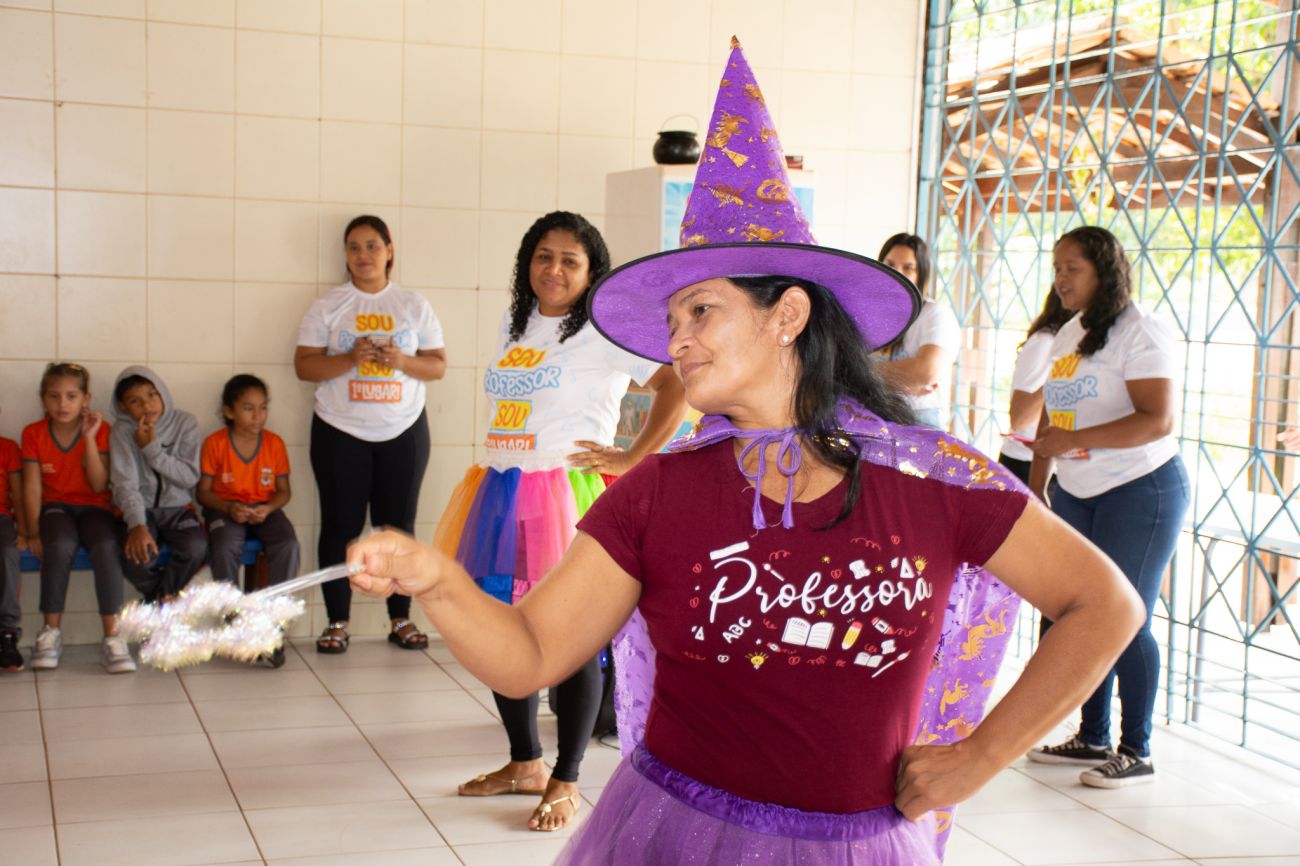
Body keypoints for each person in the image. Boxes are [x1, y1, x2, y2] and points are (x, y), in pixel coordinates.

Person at [345, 40, 1143, 865]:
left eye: (700, 311)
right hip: (667, 836)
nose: (676, 342)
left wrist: (982, 755)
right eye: (672, 322)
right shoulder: (657, 491)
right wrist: (436, 580)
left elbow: (1104, 604)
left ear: (787, 315)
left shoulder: (934, 481)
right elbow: (531, 656)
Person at [433, 210, 686, 832]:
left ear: (591, 272)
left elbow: (675, 383)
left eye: (570, 260)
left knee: (572, 638)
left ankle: (565, 778)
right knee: (500, 629)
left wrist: (632, 456)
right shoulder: (514, 321)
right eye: (544, 256)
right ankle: (524, 762)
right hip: (501, 491)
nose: (554, 269)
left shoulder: (604, 331)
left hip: (565, 496)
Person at [1027, 226, 1189, 788]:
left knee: (1125, 615)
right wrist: (1039, 485)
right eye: (1057, 267)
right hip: (1077, 492)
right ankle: (1091, 736)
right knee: (1077, 612)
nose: (1060, 279)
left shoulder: (1141, 331)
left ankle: (1136, 749)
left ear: (1104, 271)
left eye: (1072, 268)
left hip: (1140, 490)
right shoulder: (1072, 330)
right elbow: (1053, 412)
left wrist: (1073, 442)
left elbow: (1157, 420)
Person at [294, 215, 447, 654]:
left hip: (404, 431)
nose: (363, 255)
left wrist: (401, 361)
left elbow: (437, 365)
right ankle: (336, 622)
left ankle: (401, 618)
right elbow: (304, 366)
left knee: (398, 528)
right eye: (354, 247)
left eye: (372, 246)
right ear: (345, 255)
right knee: (339, 526)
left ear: (389, 251)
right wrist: (349, 358)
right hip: (339, 431)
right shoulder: (328, 305)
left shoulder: (412, 304)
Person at [21, 363, 134, 673]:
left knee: (106, 546)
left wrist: (89, 438)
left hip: (95, 507)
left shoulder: (102, 430)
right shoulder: (33, 433)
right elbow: (32, 487)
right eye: (54, 396)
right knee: (59, 544)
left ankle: (113, 637)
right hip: (56, 507)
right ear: (43, 398)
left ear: (86, 399)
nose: (62, 404)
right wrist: (32, 531)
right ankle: (50, 633)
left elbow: (99, 484)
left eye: (71, 396)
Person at [197, 374, 301, 667]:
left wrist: (268, 509)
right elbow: (203, 493)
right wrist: (229, 508)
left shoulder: (274, 444)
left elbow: (284, 492)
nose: (258, 415)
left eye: (263, 407)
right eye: (248, 408)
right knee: (224, 545)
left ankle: (272, 623)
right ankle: (236, 620)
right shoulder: (215, 443)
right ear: (229, 412)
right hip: (224, 509)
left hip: (265, 510)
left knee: (288, 544)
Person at [110, 366, 208, 603]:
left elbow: (189, 476)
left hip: (178, 509)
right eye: (135, 401)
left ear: (162, 392)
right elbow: (125, 483)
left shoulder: (185, 423)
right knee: (136, 558)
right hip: (140, 510)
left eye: (152, 395)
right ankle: (164, 602)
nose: (147, 405)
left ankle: (158, 603)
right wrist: (137, 525)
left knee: (197, 548)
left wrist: (151, 450)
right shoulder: (122, 431)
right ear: (123, 406)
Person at [875, 233, 961, 428]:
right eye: (889, 265)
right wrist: (903, 380)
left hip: (920, 424)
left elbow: (927, 371)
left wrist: (863, 370)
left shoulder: (935, 314)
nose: (896, 273)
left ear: (920, 274)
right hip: (875, 420)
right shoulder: (871, 314)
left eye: (908, 267)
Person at [997, 292, 1073, 485]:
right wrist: (1059, 378)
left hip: (1059, 466)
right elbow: (1019, 418)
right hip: (1026, 465)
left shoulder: (1074, 343)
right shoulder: (1044, 342)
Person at [0, 416, 22, 672]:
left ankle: (7, 633)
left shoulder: (7, 448)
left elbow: (18, 492)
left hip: (2, 518)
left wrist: (26, 530)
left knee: (7, 552)